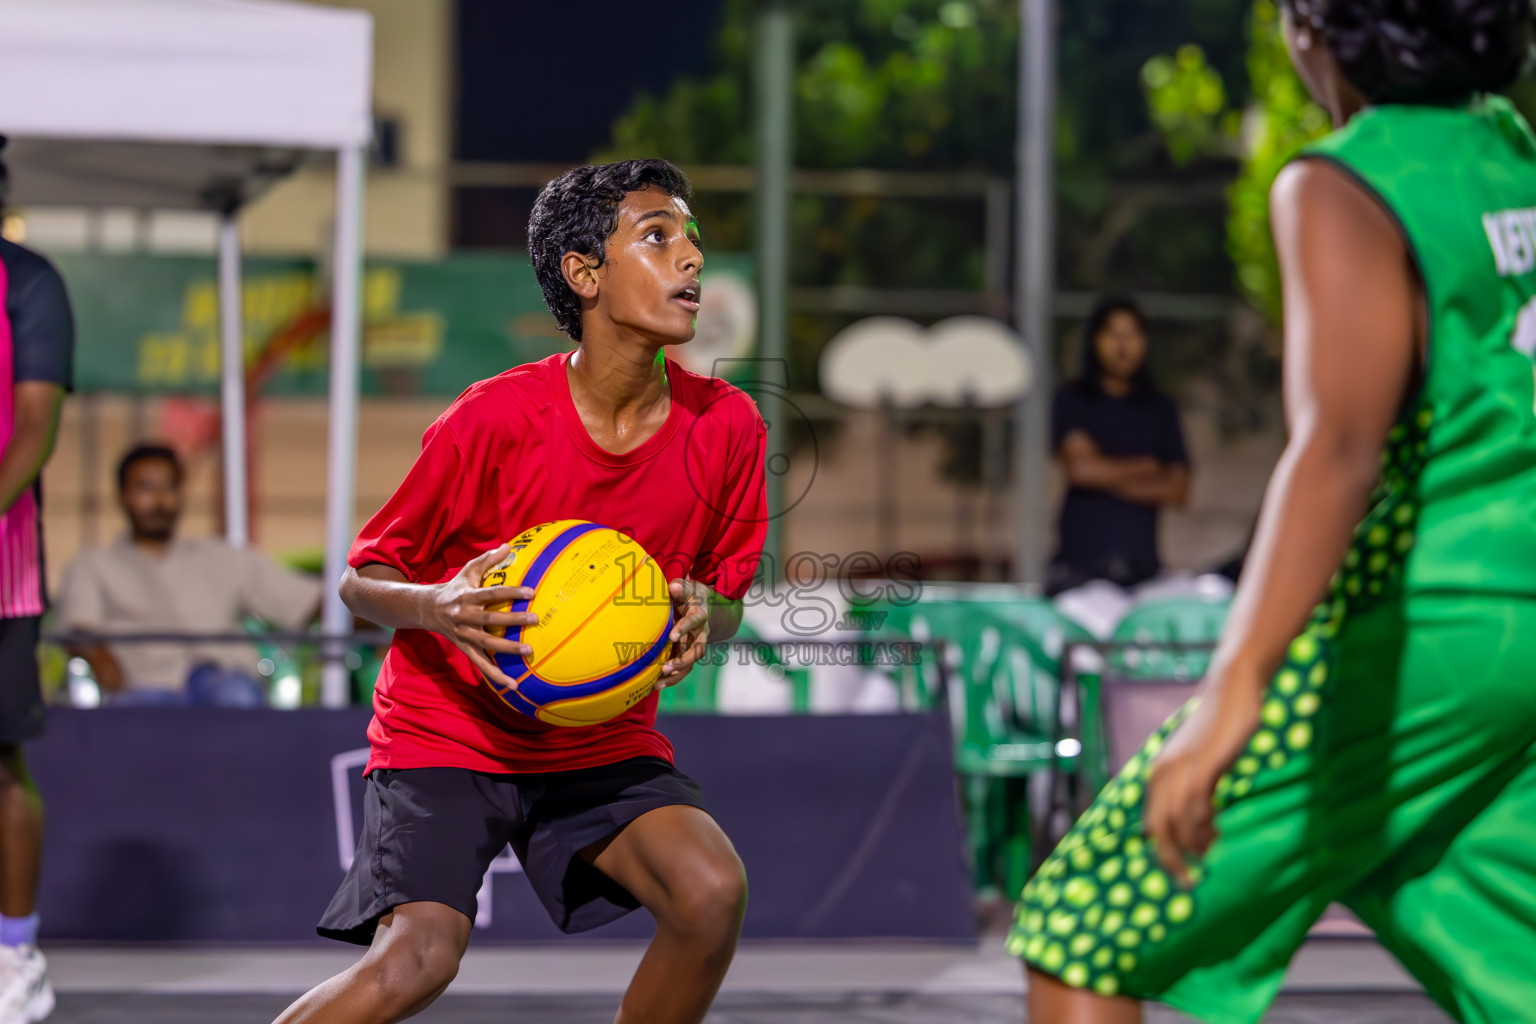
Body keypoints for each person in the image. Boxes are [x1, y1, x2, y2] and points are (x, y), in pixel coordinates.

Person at [1011, 2, 1536, 1022]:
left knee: (1082, 926)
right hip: (1519, 636)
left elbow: (1336, 446)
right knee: (1485, 929)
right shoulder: (1509, 148)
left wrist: (1235, 687)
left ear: (1315, 31)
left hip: (1438, 618)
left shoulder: (1344, 181)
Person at [271, 159, 766, 1024]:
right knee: (418, 960)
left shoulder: (727, 426)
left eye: (693, 238)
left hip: (596, 735)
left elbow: (723, 598)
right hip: (452, 729)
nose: (690, 258)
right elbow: (363, 579)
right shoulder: (495, 418)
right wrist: (440, 606)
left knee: (709, 890)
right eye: (657, 237)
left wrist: (702, 616)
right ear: (584, 274)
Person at [55, 444, 322, 704]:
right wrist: (97, 654)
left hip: (224, 683)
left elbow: (305, 601)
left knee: (238, 698)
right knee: (137, 716)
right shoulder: (92, 566)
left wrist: (360, 600)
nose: (159, 500)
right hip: (145, 689)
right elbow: (79, 629)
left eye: (168, 487)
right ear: (123, 495)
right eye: (145, 488)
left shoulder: (223, 557)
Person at [0, 134, 71, 1023]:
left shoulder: (30, 283)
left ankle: (17, 957)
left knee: (0, 767)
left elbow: (35, 427)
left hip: (1, 574)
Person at [1048, 295, 1190, 596]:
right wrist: (1148, 468)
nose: (1123, 346)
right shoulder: (1073, 399)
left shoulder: (1160, 408)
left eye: (1132, 335)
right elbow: (1081, 472)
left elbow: (1178, 489)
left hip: (1140, 573)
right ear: (1096, 340)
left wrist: (1105, 473)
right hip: (1078, 571)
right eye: (1114, 335)